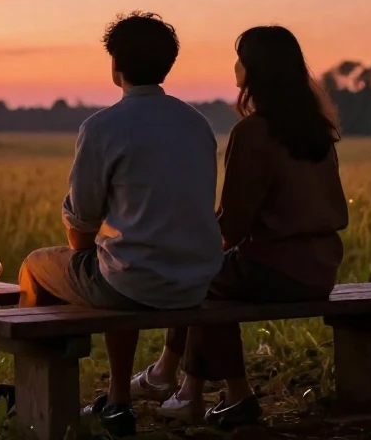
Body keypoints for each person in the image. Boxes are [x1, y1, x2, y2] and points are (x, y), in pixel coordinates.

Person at [17, 12, 223, 437]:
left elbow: (81, 226)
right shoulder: (197, 124)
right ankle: (116, 399)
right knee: (115, 264)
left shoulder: (102, 127)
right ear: (168, 64)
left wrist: (82, 248)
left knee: (39, 266)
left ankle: (42, 395)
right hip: (196, 281)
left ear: (116, 66)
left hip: (133, 283)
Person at [132, 25, 349, 428]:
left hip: (275, 268)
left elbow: (233, 225)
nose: (235, 65)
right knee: (207, 277)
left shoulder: (253, 132)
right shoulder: (317, 130)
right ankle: (189, 391)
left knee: (194, 279)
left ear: (254, 71)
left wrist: (184, 243)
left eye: (240, 58)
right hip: (321, 267)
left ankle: (215, 387)